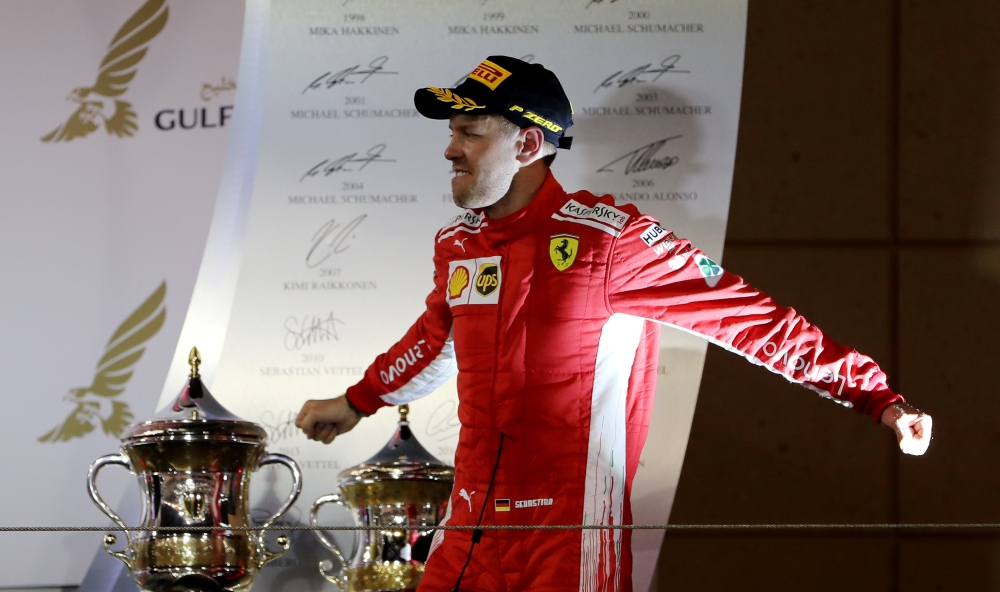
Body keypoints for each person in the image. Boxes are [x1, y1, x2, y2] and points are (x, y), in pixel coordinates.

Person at [296, 56, 932, 591]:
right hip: (469, 524)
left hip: (568, 534)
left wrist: (875, 396)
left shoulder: (612, 241)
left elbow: (752, 320)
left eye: (470, 132)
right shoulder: (460, 242)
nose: (450, 148)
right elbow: (438, 338)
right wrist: (359, 401)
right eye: (453, 130)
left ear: (525, 143)